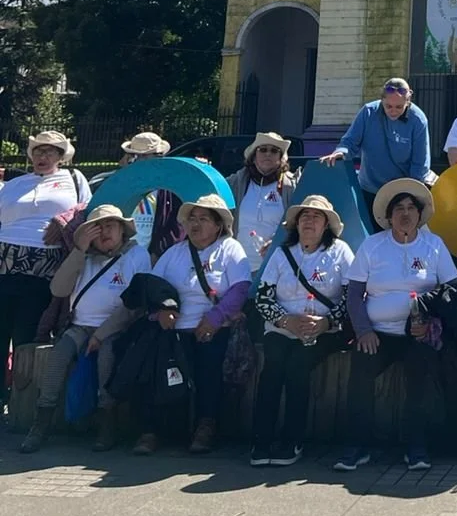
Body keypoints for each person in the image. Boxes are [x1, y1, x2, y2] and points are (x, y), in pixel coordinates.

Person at [335, 178, 457, 473]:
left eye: (410, 208)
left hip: (419, 334)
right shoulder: (372, 245)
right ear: (388, 216)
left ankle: (416, 446)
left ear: (419, 213)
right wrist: (363, 329)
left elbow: (452, 289)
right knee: (359, 377)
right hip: (376, 334)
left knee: (420, 377)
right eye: (398, 209)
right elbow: (354, 293)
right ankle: (356, 446)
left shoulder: (434, 245)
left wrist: (429, 322)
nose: (405, 213)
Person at [19, 203, 151, 454]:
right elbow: (58, 290)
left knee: (106, 357)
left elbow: (134, 305)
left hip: (116, 329)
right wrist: (79, 251)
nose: (104, 233)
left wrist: (101, 334)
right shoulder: (83, 257)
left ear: (123, 230)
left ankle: (106, 424)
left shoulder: (136, 255)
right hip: (79, 326)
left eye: (110, 226)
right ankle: (41, 425)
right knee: (58, 357)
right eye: (97, 228)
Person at [250, 193, 355, 467]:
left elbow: (352, 295)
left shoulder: (341, 252)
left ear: (326, 225)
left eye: (316, 216)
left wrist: (326, 322)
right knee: (273, 366)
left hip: (326, 330)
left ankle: (292, 440)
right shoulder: (281, 254)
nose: (309, 220)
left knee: (298, 365)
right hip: (281, 327)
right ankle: (261, 441)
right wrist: (286, 321)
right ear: (295, 223)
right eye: (304, 216)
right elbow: (263, 297)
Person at [144, 193, 251, 455]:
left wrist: (214, 319)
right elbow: (152, 287)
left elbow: (240, 290)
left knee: (209, 369)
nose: (195, 224)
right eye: (192, 218)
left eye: (203, 219)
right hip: (174, 328)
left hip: (215, 327)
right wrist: (160, 312)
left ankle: (207, 425)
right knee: (153, 367)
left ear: (218, 225)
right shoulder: (174, 252)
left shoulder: (231, 249)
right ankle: (153, 429)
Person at [0, 132, 90, 410]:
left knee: (29, 332)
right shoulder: (15, 184)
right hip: (5, 261)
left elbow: (89, 211)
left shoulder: (74, 180)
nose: (43, 157)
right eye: (38, 151)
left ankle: (21, 399)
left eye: (50, 152)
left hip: (44, 266)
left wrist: (64, 219)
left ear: (61, 156)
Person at [321, 79, 433, 220]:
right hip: (369, 188)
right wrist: (340, 152)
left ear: (408, 100)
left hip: (401, 193)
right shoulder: (368, 112)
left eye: (399, 107)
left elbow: (420, 163)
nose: (393, 111)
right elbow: (350, 142)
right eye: (388, 106)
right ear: (381, 100)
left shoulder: (418, 120)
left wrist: (409, 193)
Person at [228, 132, 298, 269]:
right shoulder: (237, 182)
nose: (268, 154)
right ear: (253, 157)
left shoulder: (292, 186)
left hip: (277, 267)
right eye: (263, 149)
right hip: (237, 267)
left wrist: (279, 240)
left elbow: (297, 224)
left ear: (281, 158)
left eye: (274, 151)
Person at [117, 131, 180, 258]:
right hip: (122, 255)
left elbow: (175, 225)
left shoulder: (168, 188)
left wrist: (157, 253)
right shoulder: (122, 184)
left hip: (152, 257)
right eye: (134, 156)